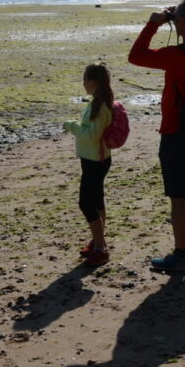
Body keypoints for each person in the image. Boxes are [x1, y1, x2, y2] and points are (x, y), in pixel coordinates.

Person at [128, 0, 185, 272]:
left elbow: (136, 56)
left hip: (177, 133)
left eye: (177, 19)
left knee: (179, 196)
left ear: (183, 22)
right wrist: (176, 16)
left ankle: (180, 255)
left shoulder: (178, 56)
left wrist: (153, 24)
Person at [62, 63, 114, 267]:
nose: (83, 83)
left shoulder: (99, 106)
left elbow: (91, 135)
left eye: (84, 80)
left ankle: (101, 248)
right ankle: (98, 241)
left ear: (92, 82)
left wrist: (71, 125)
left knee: (86, 203)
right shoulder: (99, 102)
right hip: (97, 158)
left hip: (95, 161)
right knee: (97, 200)